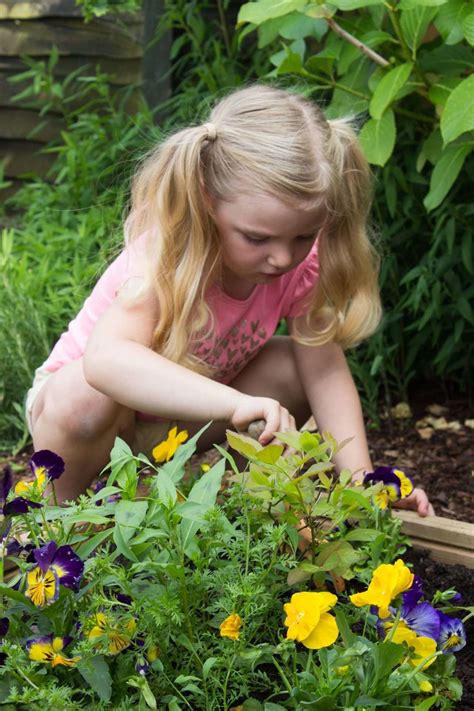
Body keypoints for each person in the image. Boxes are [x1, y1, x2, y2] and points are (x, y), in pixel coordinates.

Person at [25, 84, 433, 515]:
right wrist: (235, 404)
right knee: (83, 394)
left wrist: (362, 483)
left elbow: (325, 373)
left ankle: (245, 508)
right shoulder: (167, 256)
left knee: (296, 361)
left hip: (178, 426)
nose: (281, 257)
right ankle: (55, 516)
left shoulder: (299, 265)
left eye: (303, 236)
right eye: (257, 237)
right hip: (91, 425)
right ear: (207, 199)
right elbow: (105, 362)